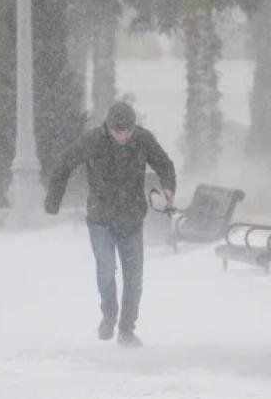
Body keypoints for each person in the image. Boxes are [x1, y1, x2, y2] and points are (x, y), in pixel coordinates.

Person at [44, 102, 176, 348]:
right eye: (118, 132)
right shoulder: (93, 141)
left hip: (132, 218)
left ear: (134, 128)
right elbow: (64, 164)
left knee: (133, 277)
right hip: (100, 218)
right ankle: (109, 314)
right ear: (108, 127)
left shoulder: (143, 139)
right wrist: (53, 202)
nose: (123, 137)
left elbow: (165, 165)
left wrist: (168, 188)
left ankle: (126, 330)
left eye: (127, 132)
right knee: (106, 268)